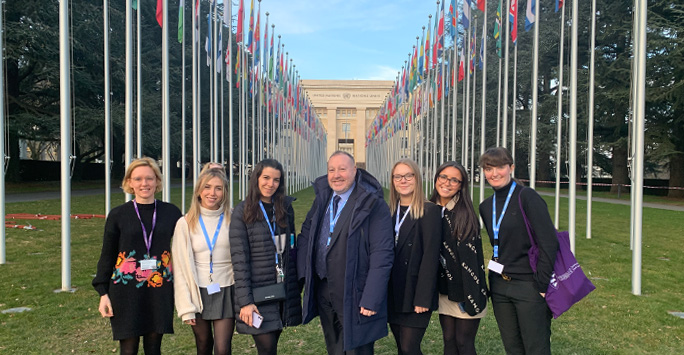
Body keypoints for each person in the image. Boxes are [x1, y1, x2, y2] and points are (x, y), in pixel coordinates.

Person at [297, 151, 394, 355]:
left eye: (342, 169)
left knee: (358, 350)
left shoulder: (373, 204)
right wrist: (305, 276)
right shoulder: (322, 199)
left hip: (356, 291)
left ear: (355, 171)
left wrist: (371, 297)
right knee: (334, 346)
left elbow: (382, 254)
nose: (336, 175)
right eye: (331, 169)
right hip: (324, 288)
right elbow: (306, 234)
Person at [93, 157, 182, 355]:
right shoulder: (118, 215)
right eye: (138, 179)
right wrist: (102, 293)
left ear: (157, 181)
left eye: (149, 178)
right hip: (125, 291)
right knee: (128, 349)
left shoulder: (171, 212)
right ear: (129, 182)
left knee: (153, 348)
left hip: (159, 290)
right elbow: (107, 254)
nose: (144, 184)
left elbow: (185, 248)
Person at [478, 147, 559, 355]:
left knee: (535, 348)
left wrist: (540, 285)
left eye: (500, 167)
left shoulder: (527, 197)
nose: (494, 174)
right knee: (512, 347)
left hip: (528, 286)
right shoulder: (486, 206)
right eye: (488, 168)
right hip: (499, 286)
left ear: (511, 167)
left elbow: (549, 243)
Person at [229, 159, 302, 355]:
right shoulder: (242, 211)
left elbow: (291, 249)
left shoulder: (285, 208)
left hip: (281, 291)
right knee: (267, 347)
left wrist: (295, 286)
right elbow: (239, 260)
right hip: (258, 294)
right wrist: (245, 301)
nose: (270, 184)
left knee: (272, 347)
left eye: (276, 180)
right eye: (266, 178)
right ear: (256, 179)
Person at [172, 168, 235, 355]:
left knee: (223, 349)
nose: (212, 193)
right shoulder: (185, 223)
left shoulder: (234, 218)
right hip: (197, 291)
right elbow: (181, 268)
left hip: (226, 288)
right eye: (207, 187)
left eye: (218, 188)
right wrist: (186, 308)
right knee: (204, 344)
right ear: (199, 190)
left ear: (224, 192)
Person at [429, 161, 488, 355]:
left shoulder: (464, 214)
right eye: (443, 177)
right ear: (436, 178)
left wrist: (471, 298)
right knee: (448, 340)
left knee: (464, 342)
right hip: (445, 290)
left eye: (454, 180)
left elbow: (472, 261)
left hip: (466, 289)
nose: (447, 183)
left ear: (461, 185)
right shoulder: (429, 209)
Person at [387, 159, 442, 355]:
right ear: (393, 180)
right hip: (392, 293)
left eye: (408, 175)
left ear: (417, 178)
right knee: (401, 347)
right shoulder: (389, 212)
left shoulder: (430, 211)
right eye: (398, 176)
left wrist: (423, 298)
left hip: (415, 293)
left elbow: (430, 257)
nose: (403, 180)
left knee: (410, 348)